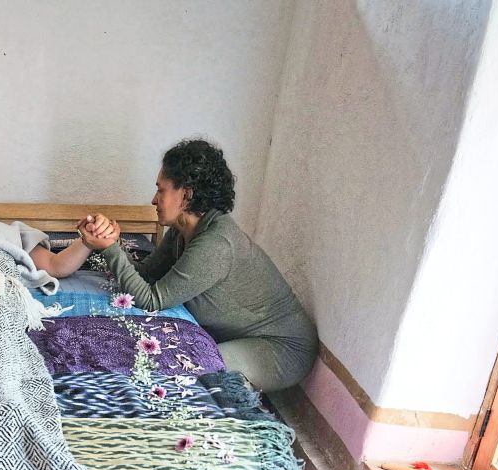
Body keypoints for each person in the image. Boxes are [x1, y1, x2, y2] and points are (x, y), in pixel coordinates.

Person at [79, 139, 318, 392]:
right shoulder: (184, 229)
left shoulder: (216, 243)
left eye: (161, 190)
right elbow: (147, 274)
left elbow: (151, 301)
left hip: (280, 347)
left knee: (186, 370)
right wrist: (111, 242)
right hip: (240, 336)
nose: (153, 200)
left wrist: (110, 249)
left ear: (187, 195)